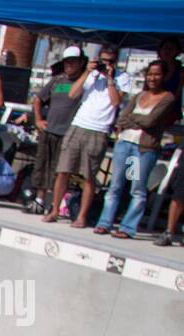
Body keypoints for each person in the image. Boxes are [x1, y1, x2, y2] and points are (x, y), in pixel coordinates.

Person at [44, 47, 129, 228]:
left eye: (110, 61)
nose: (106, 64)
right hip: (78, 125)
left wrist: (110, 79)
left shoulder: (122, 78)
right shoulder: (90, 75)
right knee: (63, 170)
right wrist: (88, 72)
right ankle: (55, 210)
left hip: (99, 130)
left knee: (89, 175)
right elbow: (73, 93)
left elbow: (116, 102)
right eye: (103, 60)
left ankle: (81, 216)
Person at [94, 62, 178, 239]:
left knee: (137, 189)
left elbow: (151, 121)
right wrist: (137, 119)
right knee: (115, 185)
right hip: (124, 143)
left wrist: (133, 119)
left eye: (157, 74)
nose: (152, 78)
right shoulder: (140, 95)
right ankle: (104, 223)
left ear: (163, 76)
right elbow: (122, 118)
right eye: (150, 74)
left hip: (143, 149)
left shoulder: (167, 97)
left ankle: (128, 227)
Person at [29, 47, 85, 216]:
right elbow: (38, 99)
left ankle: (55, 203)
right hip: (50, 129)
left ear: (81, 63)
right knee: (42, 165)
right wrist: (38, 119)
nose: (69, 65)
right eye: (67, 61)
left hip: (68, 133)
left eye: (73, 61)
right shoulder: (57, 80)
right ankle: (39, 199)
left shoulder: (84, 83)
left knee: (59, 170)